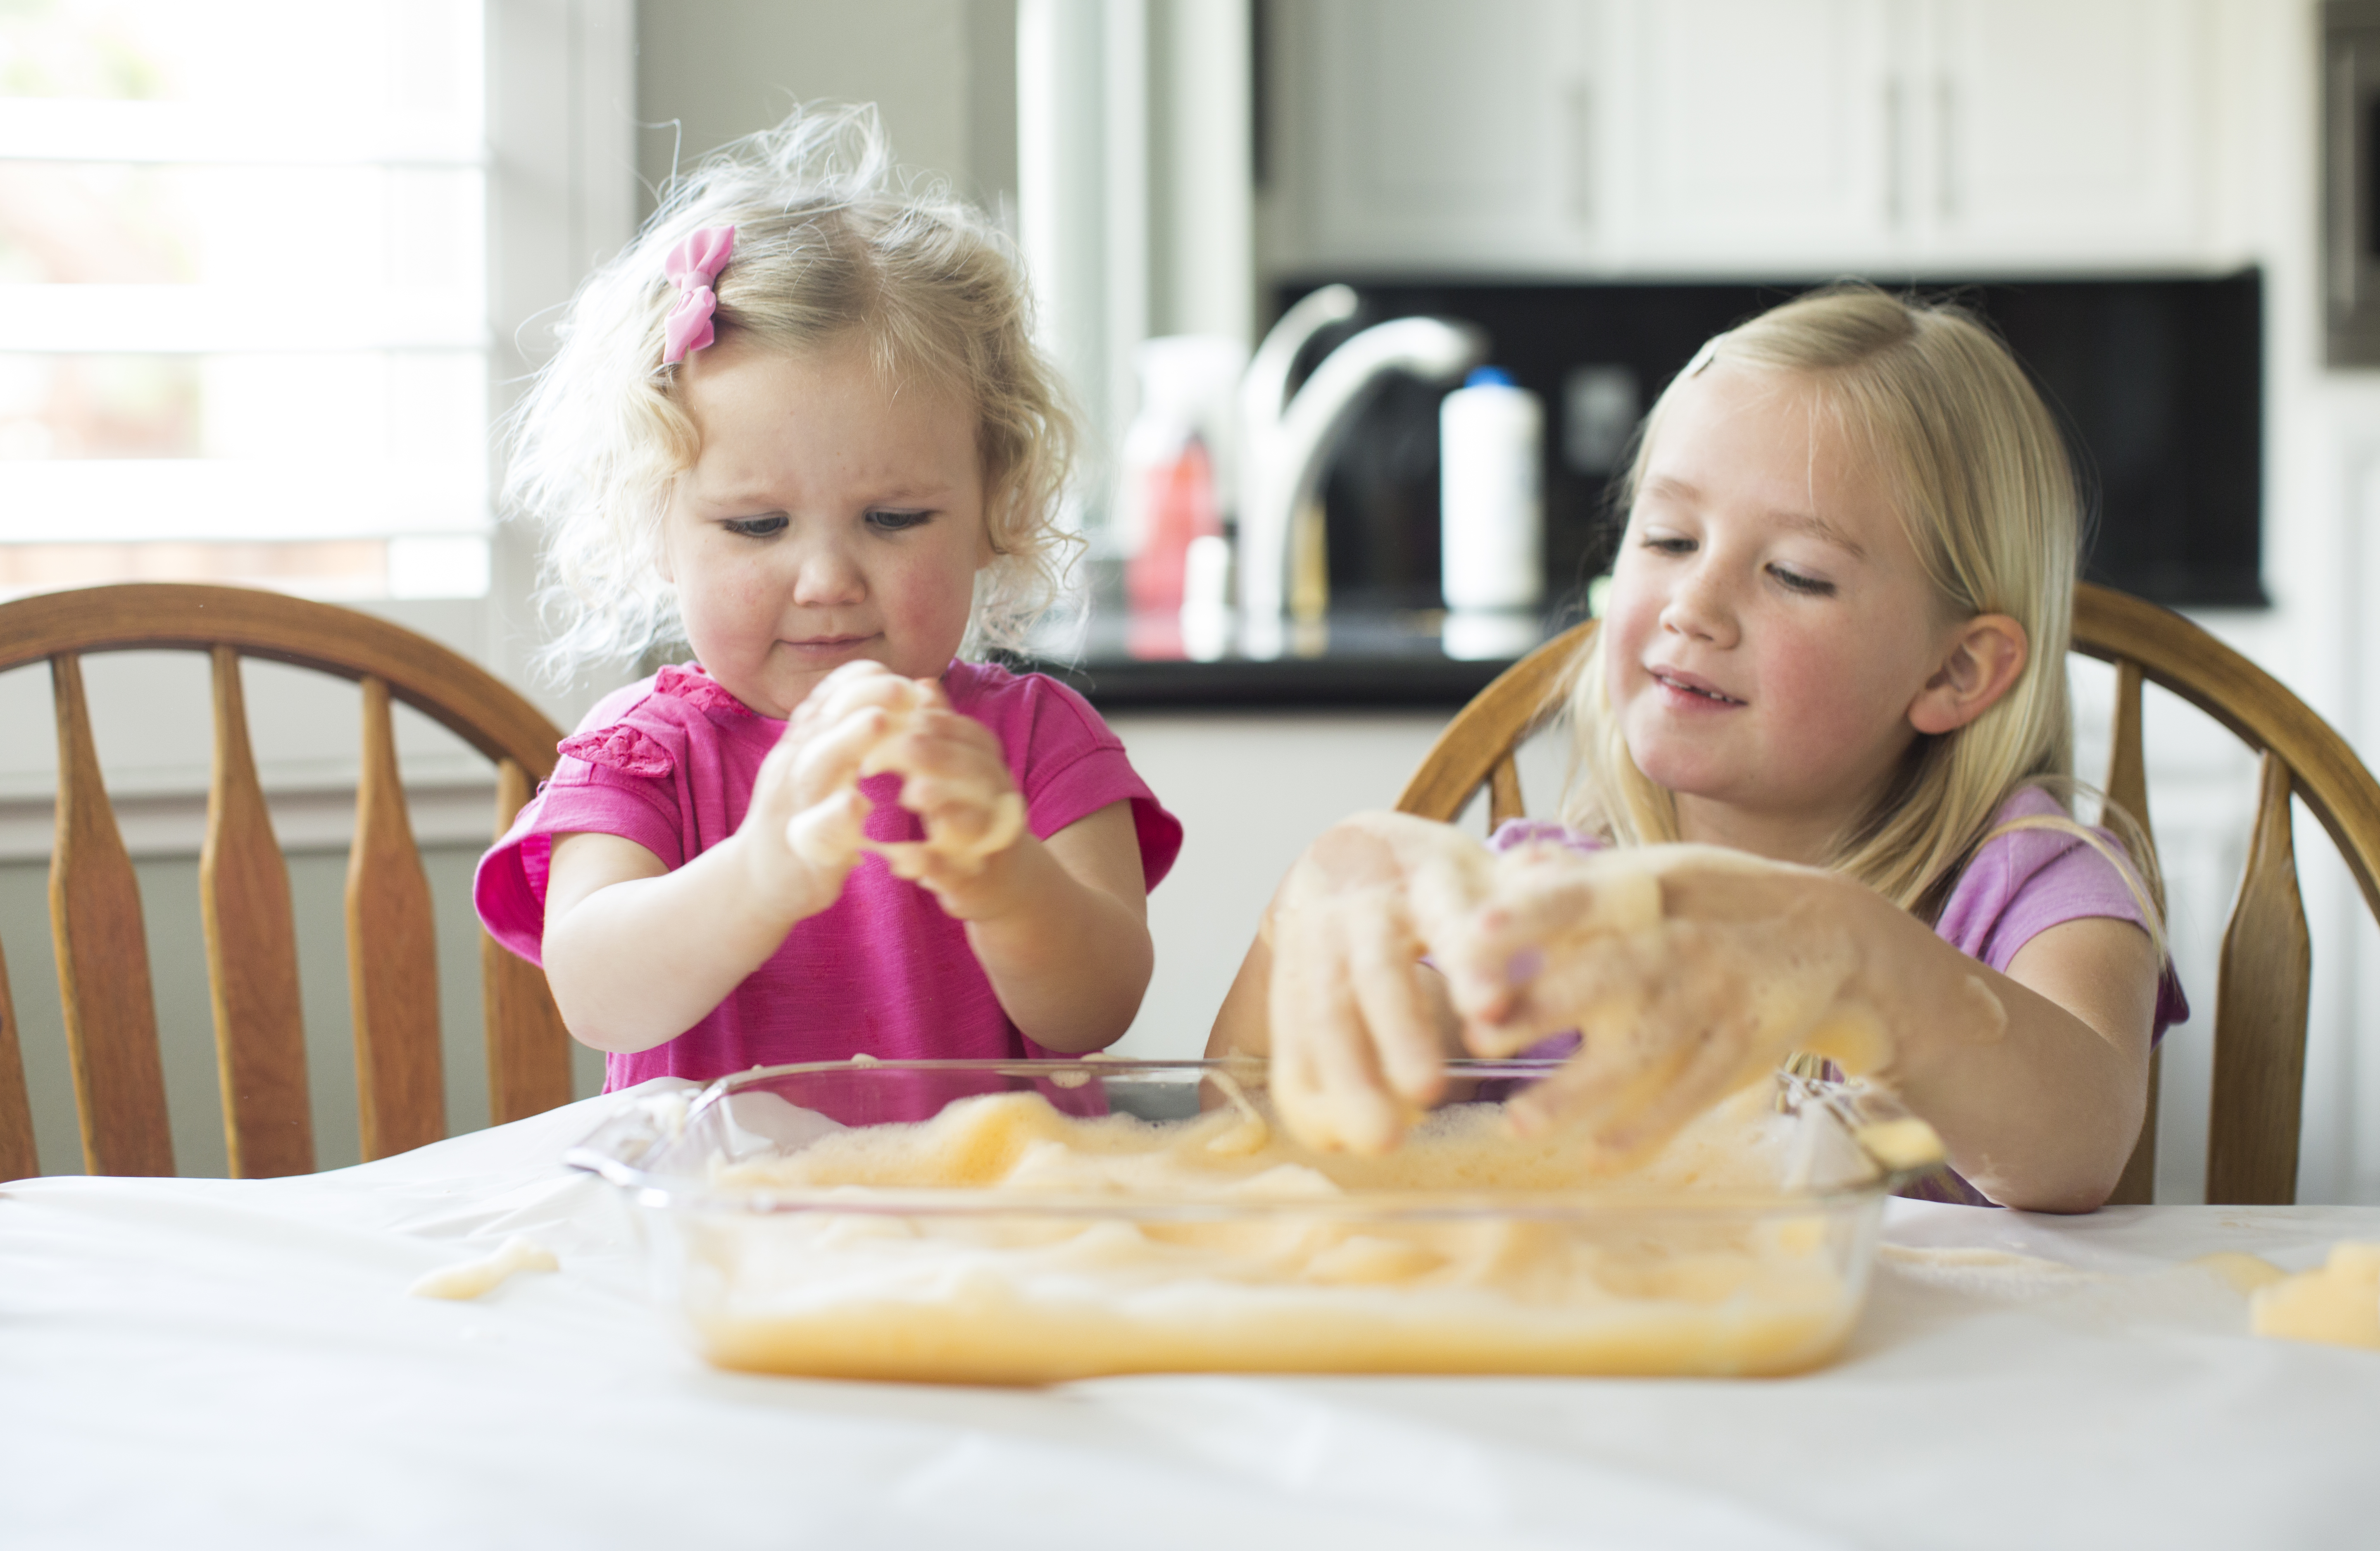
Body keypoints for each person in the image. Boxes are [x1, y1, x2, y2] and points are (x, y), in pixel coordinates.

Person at [1208, 285, 2183, 1213]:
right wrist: (1303, 918)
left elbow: (2079, 1143)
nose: (1694, 606)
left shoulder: (2038, 885)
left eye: (1795, 575)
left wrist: (1854, 960)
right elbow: (1254, 1126)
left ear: (1955, 674)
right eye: (1670, 540)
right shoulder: (1542, 912)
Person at [475, 106, 1180, 1091]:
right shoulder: (650, 754)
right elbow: (596, 996)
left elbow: (1097, 1006)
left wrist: (1005, 876)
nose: (828, 582)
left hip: (983, 1217)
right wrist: (757, 874)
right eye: (757, 527)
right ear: (658, 530)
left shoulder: (1032, 744)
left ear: (995, 509)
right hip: (719, 1226)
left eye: (894, 519)